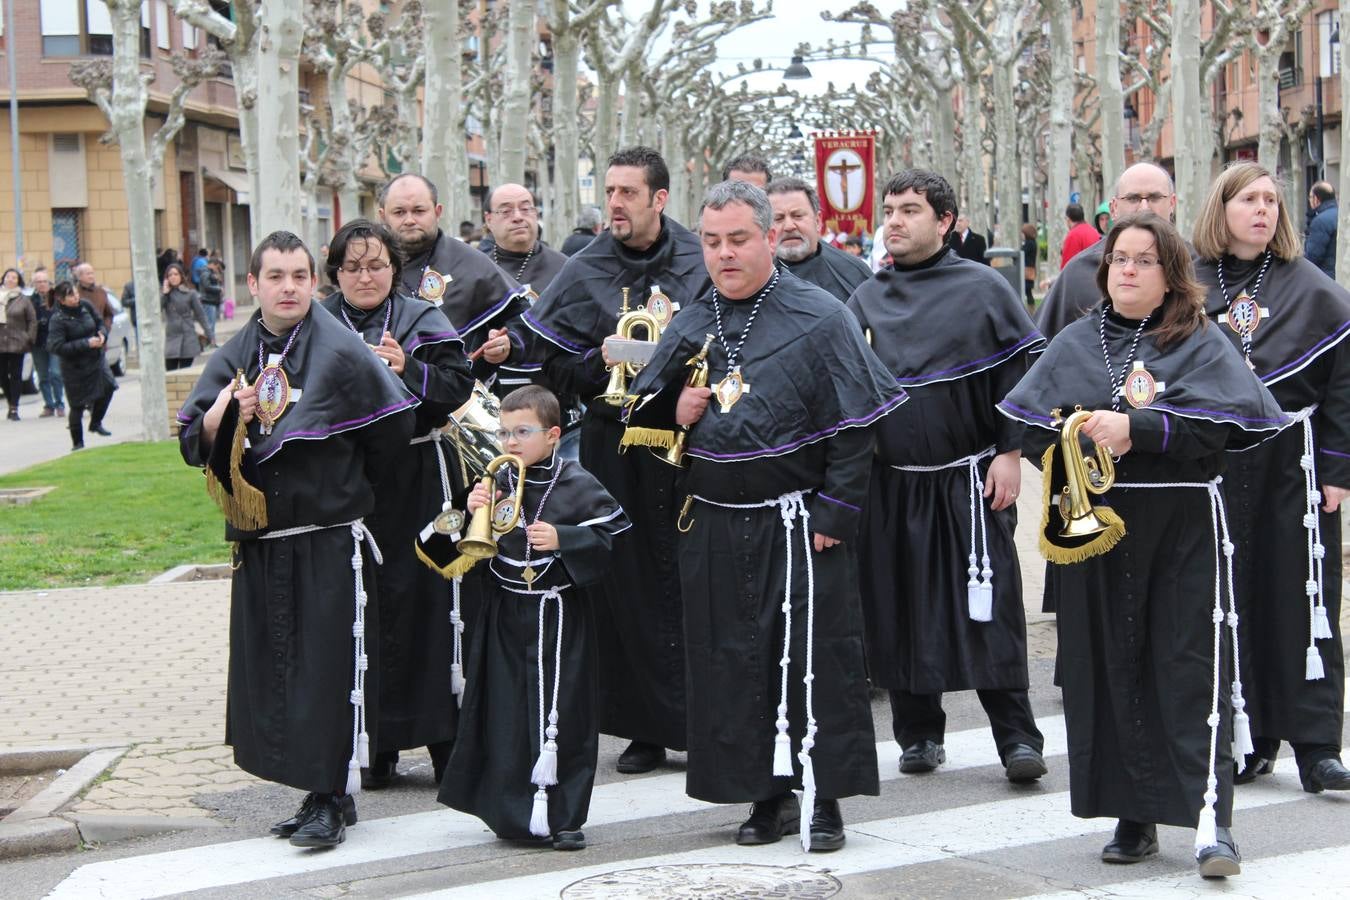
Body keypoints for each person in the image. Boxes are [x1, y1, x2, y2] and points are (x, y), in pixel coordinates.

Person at [1000, 212, 1287, 878]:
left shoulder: (1200, 339)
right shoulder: (1075, 340)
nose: (1125, 270)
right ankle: (1135, 816)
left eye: (1142, 260)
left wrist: (1139, 430)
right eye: (1117, 259)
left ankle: (1215, 823)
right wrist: (1077, 446)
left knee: (1190, 670)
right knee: (1114, 669)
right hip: (1103, 531)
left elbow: (1224, 429)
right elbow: (1035, 429)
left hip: (1183, 525)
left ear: (1170, 275)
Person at [623, 179, 905, 850]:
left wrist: (836, 512)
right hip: (716, 523)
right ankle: (764, 795)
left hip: (800, 522)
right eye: (712, 242)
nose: (724, 254)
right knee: (731, 662)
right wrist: (674, 411)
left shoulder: (820, 314)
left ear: (769, 239)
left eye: (739, 240)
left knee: (816, 661)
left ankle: (824, 799)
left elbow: (857, 427)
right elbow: (642, 420)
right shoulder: (692, 319)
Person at [176, 231, 416, 848]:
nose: (288, 287)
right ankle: (318, 789)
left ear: (316, 283)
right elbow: (191, 441)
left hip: (328, 539)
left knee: (327, 673)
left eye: (300, 276)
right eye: (276, 276)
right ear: (252, 285)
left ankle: (330, 798)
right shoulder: (235, 353)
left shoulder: (342, 351)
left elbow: (390, 432)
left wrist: (341, 487)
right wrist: (227, 411)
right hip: (261, 541)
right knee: (278, 673)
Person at [847, 169, 1047, 784]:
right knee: (900, 603)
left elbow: (1022, 375)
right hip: (894, 481)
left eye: (911, 210)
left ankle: (1016, 738)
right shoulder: (866, 298)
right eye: (890, 210)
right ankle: (918, 734)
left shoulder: (985, 288)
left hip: (969, 480)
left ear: (946, 222)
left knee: (991, 610)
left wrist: (1011, 453)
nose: (896, 221)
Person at [522, 146, 711, 775]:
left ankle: (698, 717)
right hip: (613, 444)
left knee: (688, 576)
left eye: (628, 193)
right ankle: (641, 728)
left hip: (687, 444)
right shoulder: (585, 266)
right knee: (623, 576)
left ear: (659, 199)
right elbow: (553, 365)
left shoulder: (697, 257)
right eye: (610, 192)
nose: (616, 205)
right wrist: (597, 362)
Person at [1190, 162, 1350, 796]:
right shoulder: (1188, 285)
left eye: (1272, 201)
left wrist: (1338, 470)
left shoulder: (1314, 290)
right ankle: (1243, 739)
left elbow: (1342, 389)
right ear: (1221, 209)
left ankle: (1315, 746)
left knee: (1303, 598)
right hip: (1215, 461)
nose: (1264, 210)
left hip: (1296, 462)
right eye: (1249, 199)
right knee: (1224, 602)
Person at [437, 385, 630, 851]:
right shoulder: (494, 480)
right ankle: (511, 813)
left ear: (553, 434)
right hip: (504, 614)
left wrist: (564, 537)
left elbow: (612, 537)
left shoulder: (577, 479)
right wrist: (468, 511)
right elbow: (444, 545)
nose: (511, 441)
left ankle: (563, 817)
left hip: (557, 612)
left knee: (563, 712)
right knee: (504, 712)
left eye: (523, 431)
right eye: (504, 432)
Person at [318, 219, 475, 790]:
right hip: (349, 483)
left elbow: (459, 386)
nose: (365, 276)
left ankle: (443, 741)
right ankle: (373, 746)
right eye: (353, 267)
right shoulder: (319, 324)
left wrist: (411, 368)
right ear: (335, 272)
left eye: (376, 265)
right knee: (363, 607)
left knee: (429, 603)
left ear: (394, 269)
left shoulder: (420, 317)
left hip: (417, 479)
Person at [379, 173, 524, 386]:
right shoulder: (367, 267)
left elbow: (521, 319)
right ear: (383, 216)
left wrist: (508, 344)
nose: (409, 220)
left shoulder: (470, 261)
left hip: (461, 397)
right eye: (399, 212)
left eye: (419, 211)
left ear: (437, 212)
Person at [1038, 163, 1179, 340]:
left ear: (1172, 203)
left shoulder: (1198, 265)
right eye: (1133, 198)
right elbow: (1043, 349)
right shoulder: (1078, 274)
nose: (1144, 208)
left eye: (1154, 198)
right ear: (1114, 208)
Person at [764, 177, 873, 302]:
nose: (789, 226)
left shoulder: (854, 272)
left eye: (798, 216)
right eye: (778, 218)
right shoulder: (752, 278)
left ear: (818, 221)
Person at [47, 280, 116, 448]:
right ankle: (77, 443)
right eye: (71, 295)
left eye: (76, 293)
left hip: (95, 359)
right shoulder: (58, 319)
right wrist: (86, 343)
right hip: (74, 367)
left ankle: (96, 422)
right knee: (77, 405)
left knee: (109, 386)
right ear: (61, 300)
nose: (76, 297)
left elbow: (100, 321)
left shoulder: (85, 305)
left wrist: (102, 334)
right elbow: (56, 346)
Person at [161, 262, 213, 370]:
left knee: (185, 371)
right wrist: (165, 293)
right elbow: (157, 310)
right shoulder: (165, 295)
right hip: (172, 338)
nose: (173, 277)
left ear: (181, 276)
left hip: (188, 337)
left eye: (176, 274)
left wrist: (210, 334)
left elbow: (201, 315)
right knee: (170, 372)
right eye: (170, 275)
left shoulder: (190, 293)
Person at [29, 268, 65, 417]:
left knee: (56, 373)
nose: (42, 284)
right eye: (39, 282)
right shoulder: (30, 300)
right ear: (34, 284)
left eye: (44, 281)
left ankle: (60, 404)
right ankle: (48, 405)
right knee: (42, 375)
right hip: (38, 342)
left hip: (55, 341)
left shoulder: (57, 299)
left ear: (49, 283)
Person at [0, 273, 36, 421]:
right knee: (2, 376)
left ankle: (14, 407)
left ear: (18, 281)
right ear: (3, 279)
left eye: (14, 278)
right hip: (0, 342)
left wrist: (28, 338)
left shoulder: (24, 299)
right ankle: (10, 402)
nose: (10, 280)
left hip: (17, 342)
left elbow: (32, 321)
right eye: (8, 277)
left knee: (16, 375)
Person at [1304, 180, 1338, 279]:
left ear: (1316, 199)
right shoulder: (1342, 216)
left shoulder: (1320, 222)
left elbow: (1312, 258)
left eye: (1310, 197)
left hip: (1327, 280)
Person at [73, 262, 117, 330]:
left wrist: (105, 328)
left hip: (100, 333)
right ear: (79, 277)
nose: (91, 276)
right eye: (88, 274)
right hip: (79, 335)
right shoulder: (73, 293)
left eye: (92, 273)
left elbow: (109, 314)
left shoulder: (101, 292)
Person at [1060, 203, 1101, 269]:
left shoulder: (1072, 235)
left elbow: (1066, 268)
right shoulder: (1094, 231)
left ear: (1068, 219)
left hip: (1081, 276)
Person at [200, 258, 225, 339]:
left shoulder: (209, 273)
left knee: (211, 323)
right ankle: (209, 341)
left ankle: (211, 341)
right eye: (216, 267)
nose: (216, 270)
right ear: (213, 264)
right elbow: (206, 286)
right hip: (208, 301)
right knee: (210, 324)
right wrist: (218, 289)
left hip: (211, 301)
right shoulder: (206, 272)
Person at [1021, 223, 1039, 309]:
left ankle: (1031, 310)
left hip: (1027, 270)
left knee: (1027, 292)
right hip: (1030, 270)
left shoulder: (1029, 244)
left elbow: (1022, 253)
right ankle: (1031, 309)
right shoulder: (1033, 243)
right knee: (1028, 292)